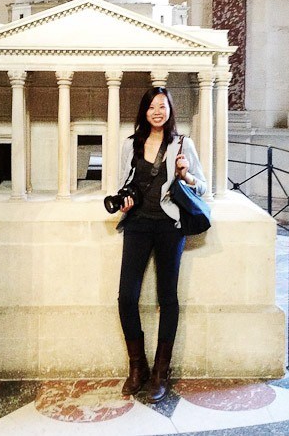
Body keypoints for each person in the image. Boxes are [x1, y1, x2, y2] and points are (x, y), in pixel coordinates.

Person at [115, 86, 207, 401]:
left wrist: (185, 174)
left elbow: (202, 186)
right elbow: (121, 183)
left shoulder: (183, 144)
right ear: (144, 111)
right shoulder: (130, 145)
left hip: (171, 226)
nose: (157, 111)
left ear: (169, 111)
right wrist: (125, 202)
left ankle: (160, 373)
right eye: (152, 106)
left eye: (162, 106)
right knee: (127, 297)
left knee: (167, 297)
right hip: (138, 225)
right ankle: (137, 367)